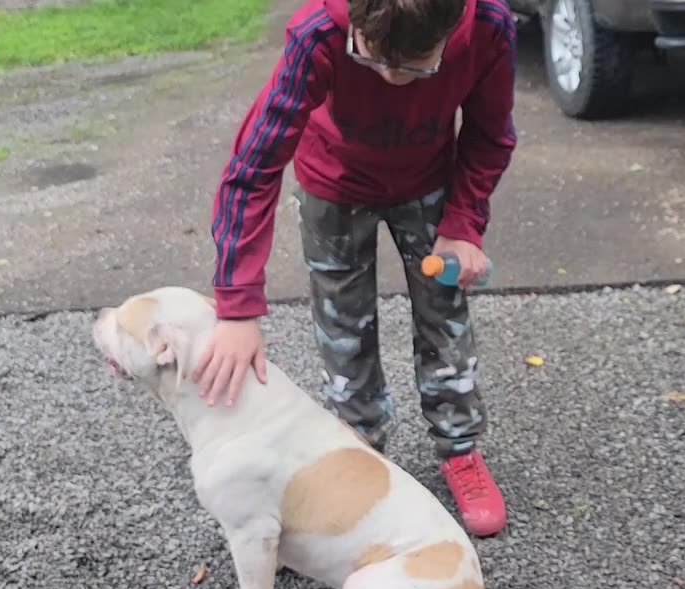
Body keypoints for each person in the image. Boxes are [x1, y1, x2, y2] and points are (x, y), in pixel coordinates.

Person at [190, 0, 517, 537]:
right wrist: (236, 306)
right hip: (334, 188)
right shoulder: (317, 32)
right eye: (372, 60)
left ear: (452, 28)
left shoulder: (489, 27)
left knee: (444, 314)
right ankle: (361, 452)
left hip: (430, 183)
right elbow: (253, 168)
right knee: (344, 330)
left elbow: (490, 134)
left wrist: (462, 223)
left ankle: (460, 450)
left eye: (417, 66)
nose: (393, 81)